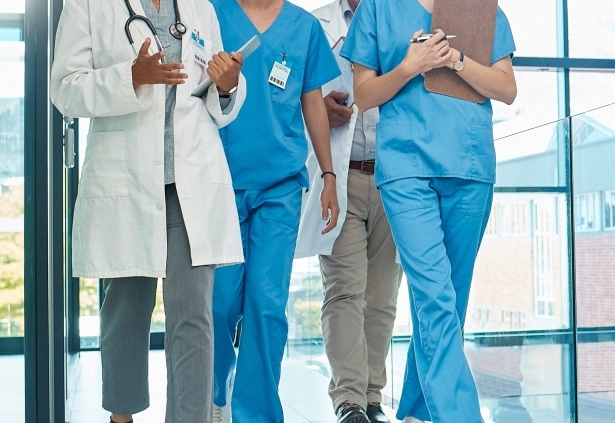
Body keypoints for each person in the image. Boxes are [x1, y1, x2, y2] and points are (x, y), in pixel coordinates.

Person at [50, 0, 246, 421]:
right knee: (125, 311)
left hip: (189, 181)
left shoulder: (199, 8)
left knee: (193, 315)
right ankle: (122, 417)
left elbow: (214, 99)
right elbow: (64, 87)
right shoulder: (88, 5)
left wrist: (228, 85)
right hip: (128, 181)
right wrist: (130, 77)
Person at [341, 0, 517, 421]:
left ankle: (419, 411)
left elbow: (506, 89)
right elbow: (364, 96)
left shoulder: (479, 9)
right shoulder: (378, 10)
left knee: (450, 303)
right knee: (434, 297)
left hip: (470, 164)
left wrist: (454, 59)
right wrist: (410, 66)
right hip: (406, 168)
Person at [208, 0, 341, 421]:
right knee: (218, 305)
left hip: (280, 187)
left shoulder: (303, 27)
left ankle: (257, 414)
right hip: (218, 183)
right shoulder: (211, 12)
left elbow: (312, 103)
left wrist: (329, 176)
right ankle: (213, 395)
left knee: (266, 306)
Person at [296, 1, 403, 422]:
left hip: (395, 177)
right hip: (340, 177)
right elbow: (294, 97)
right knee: (344, 289)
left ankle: (373, 398)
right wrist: (319, 110)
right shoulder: (315, 24)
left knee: (382, 297)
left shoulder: (401, 18)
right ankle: (350, 402)